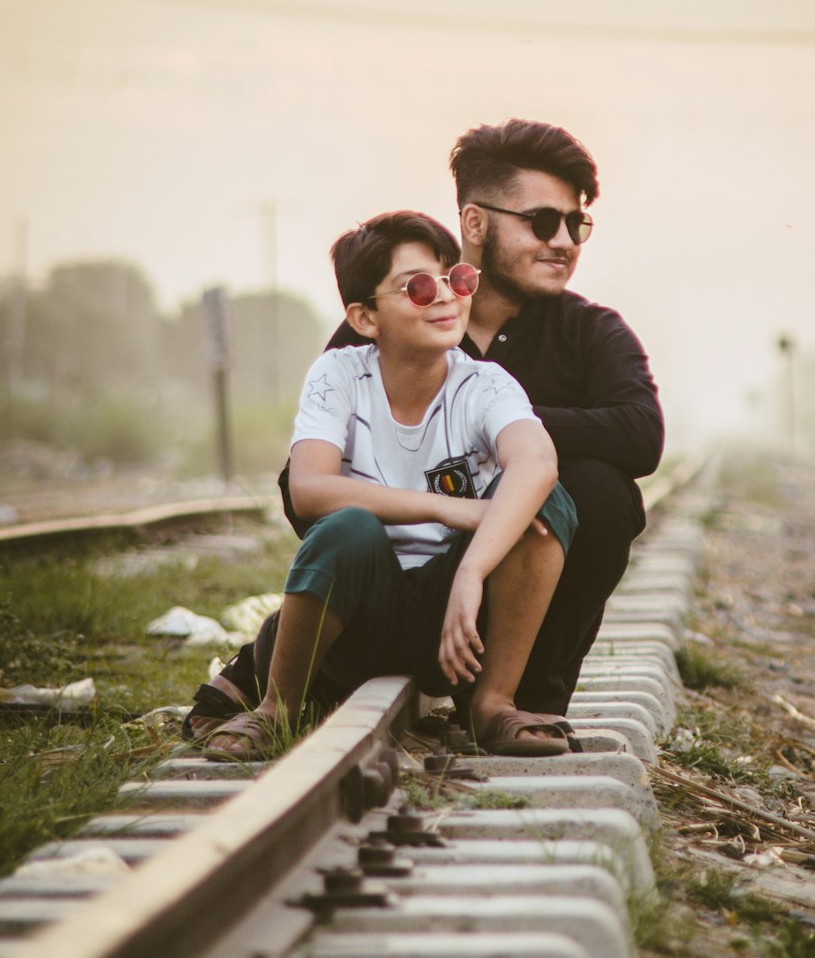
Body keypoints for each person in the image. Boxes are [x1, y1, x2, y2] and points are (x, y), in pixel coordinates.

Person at [186, 118, 662, 737]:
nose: (565, 241)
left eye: (578, 224)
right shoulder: (375, 341)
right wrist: (436, 503)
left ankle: (513, 699)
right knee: (347, 526)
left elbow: (638, 436)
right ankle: (285, 672)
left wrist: (494, 430)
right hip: (393, 566)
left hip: (502, 560)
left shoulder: (588, 334)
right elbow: (304, 492)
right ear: (475, 223)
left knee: (595, 492)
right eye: (543, 222)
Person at [201, 210, 578, 759]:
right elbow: (309, 488)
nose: (447, 297)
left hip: (457, 623)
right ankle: (275, 709)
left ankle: (493, 701)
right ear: (365, 317)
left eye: (458, 280)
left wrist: (472, 570)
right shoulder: (340, 376)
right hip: (359, 617)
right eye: (419, 287)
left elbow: (537, 462)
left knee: (546, 505)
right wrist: (447, 509)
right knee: (346, 527)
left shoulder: (484, 384)